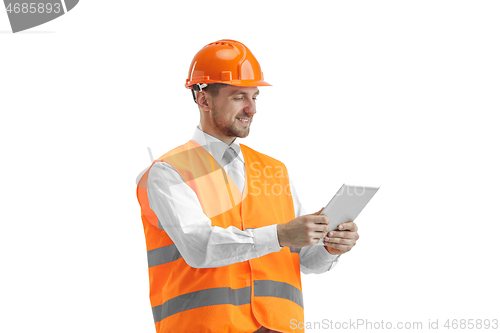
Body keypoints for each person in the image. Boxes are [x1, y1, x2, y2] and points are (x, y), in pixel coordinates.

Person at [136, 39, 359, 333]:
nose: (252, 108)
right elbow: (200, 248)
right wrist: (281, 234)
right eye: (239, 96)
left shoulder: (274, 171)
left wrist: (330, 247)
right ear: (203, 100)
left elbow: (306, 261)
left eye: (255, 96)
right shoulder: (168, 172)